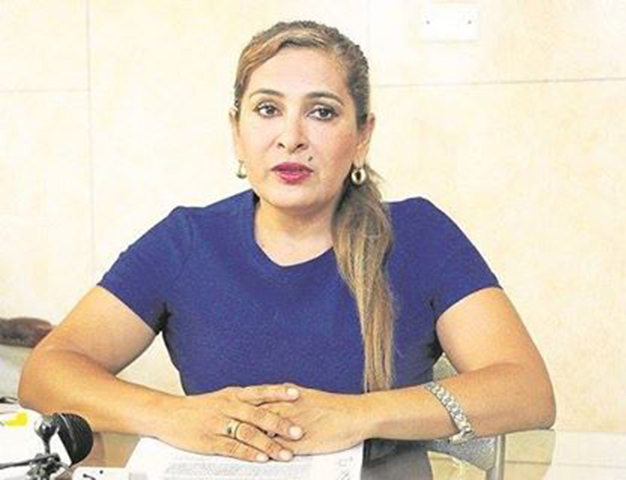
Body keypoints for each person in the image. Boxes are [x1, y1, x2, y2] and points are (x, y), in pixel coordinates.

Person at [18, 20, 555, 465]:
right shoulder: (186, 242)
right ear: (237, 132)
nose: (291, 137)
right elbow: (47, 371)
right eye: (268, 109)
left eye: (322, 112)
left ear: (362, 136)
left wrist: (356, 415)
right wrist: (174, 415)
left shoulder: (419, 235)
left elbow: (526, 390)